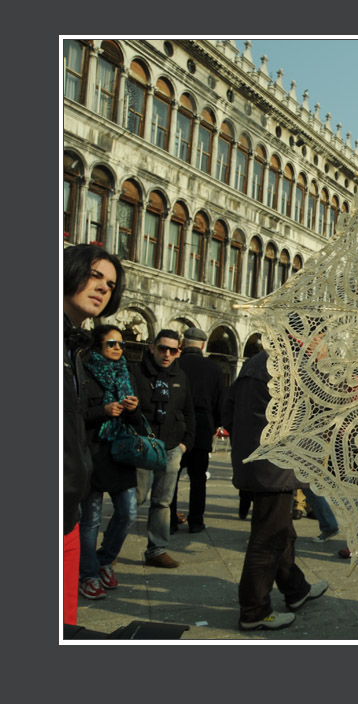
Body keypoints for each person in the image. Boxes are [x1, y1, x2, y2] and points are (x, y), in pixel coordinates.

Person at [224, 349, 329, 631]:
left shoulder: (256, 362)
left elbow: (227, 409)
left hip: (256, 460)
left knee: (282, 529)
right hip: (275, 465)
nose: (323, 343)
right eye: (320, 336)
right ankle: (254, 610)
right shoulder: (292, 367)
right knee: (268, 536)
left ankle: (296, 589)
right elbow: (312, 415)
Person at [63, 244, 125, 624]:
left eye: (111, 283)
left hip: (69, 502)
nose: (103, 288)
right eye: (95, 275)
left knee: (65, 621)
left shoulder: (72, 345)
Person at [78, 325, 140, 600]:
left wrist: (134, 409)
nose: (117, 348)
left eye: (121, 344)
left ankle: (105, 559)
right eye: (111, 343)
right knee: (90, 519)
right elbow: (74, 414)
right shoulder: (84, 372)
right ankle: (88, 574)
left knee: (129, 512)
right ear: (98, 347)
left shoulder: (127, 374)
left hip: (120, 454)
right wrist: (102, 411)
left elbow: (139, 420)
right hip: (92, 452)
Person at [131, 329, 196, 567]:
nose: (167, 354)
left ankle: (156, 549)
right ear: (152, 348)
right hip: (144, 446)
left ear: (179, 352)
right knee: (135, 499)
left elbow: (188, 411)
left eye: (173, 350)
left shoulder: (180, 376)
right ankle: (111, 547)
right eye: (162, 349)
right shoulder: (137, 373)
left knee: (163, 501)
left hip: (171, 448)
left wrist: (185, 444)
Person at [172, 327, 226, 534]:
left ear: (183, 344)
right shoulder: (213, 369)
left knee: (172, 477)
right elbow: (220, 401)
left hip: (177, 427)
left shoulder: (175, 364)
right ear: (202, 345)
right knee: (198, 478)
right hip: (203, 426)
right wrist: (215, 425)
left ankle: (169, 521)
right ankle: (196, 521)